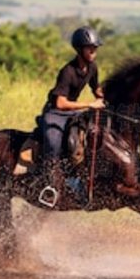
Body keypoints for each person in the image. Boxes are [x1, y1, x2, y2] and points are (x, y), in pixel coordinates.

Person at [37, 26, 106, 207]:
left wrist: (105, 97)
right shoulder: (67, 71)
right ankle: (50, 187)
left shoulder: (92, 67)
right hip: (55, 113)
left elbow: (96, 87)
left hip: (72, 112)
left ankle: (79, 179)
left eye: (95, 48)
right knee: (54, 142)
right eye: (90, 48)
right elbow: (60, 103)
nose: (93, 51)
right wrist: (90, 104)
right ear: (79, 50)